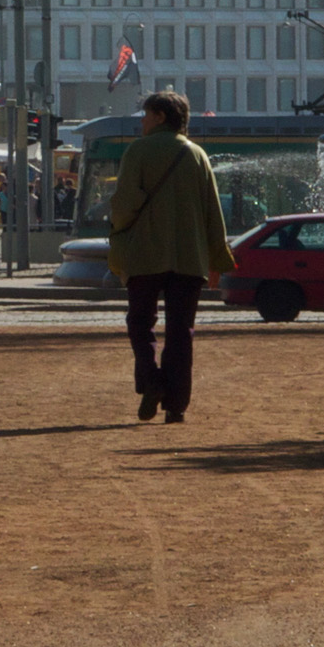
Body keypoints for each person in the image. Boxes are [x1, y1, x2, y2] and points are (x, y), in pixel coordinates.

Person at [106, 91, 235, 425]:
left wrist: (118, 229)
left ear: (161, 116)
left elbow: (124, 205)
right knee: (181, 331)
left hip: (145, 254)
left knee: (140, 323)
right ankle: (176, 405)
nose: (143, 122)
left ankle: (153, 380)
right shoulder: (198, 155)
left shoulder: (139, 151)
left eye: (146, 115)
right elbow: (212, 213)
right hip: (189, 259)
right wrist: (217, 259)